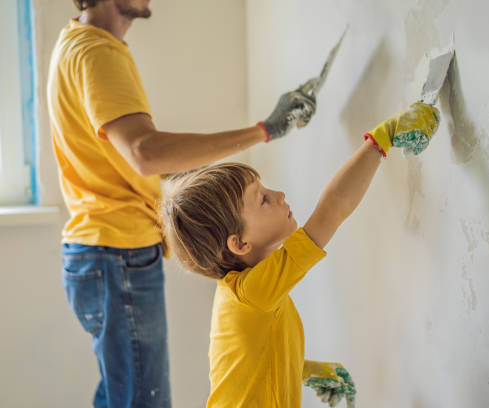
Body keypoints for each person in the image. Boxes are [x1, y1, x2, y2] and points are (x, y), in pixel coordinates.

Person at [47, 0, 316, 406]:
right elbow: (145, 153)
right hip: (116, 252)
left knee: (125, 396)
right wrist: (264, 130)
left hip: (101, 251)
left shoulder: (78, 45)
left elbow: (134, 161)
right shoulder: (96, 52)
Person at [159, 102, 440, 407]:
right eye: (263, 200)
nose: (279, 196)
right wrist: (382, 138)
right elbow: (332, 209)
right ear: (239, 244)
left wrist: (301, 369)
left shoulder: (244, 292)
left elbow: (248, 361)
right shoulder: (253, 293)